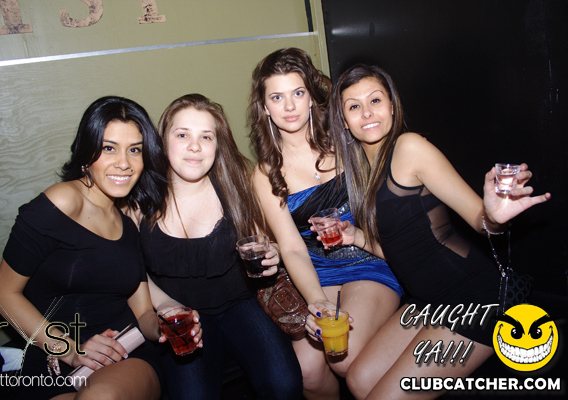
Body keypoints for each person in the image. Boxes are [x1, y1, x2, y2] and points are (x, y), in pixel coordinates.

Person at [328, 64, 552, 399]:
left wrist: (494, 216)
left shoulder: (409, 148)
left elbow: (478, 218)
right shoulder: (364, 169)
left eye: (375, 100)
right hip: (427, 302)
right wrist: (356, 237)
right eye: (354, 106)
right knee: (359, 380)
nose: (367, 113)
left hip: (472, 300)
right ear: (344, 121)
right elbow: (403, 247)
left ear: (392, 105)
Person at [0, 96, 169, 400]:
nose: (124, 163)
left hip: (121, 353)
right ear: (86, 153)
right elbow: (2, 294)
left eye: (135, 150)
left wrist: (164, 326)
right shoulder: (62, 202)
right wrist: (70, 350)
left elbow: (143, 312)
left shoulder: (129, 222)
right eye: (109, 148)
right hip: (50, 354)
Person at [249, 48, 403, 399]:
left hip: (367, 259)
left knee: (344, 360)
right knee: (308, 373)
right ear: (265, 107)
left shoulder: (345, 138)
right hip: (316, 272)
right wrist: (316, 301)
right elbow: (291, 247)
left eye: (297, 92)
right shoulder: (265, 173)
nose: (289, 106)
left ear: (310, 97)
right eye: (277, 97)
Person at [136, 93, 303, 400]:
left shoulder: (236, 185)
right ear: (162, 141)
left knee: (285, 385)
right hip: (181, 314)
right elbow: (132, 272)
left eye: (206, 136)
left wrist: (273, 253)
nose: (195, 146)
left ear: (217, 144)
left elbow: (264, 241)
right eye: (182, 135)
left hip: (239, 303)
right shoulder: (139, 201)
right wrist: (163, 304)